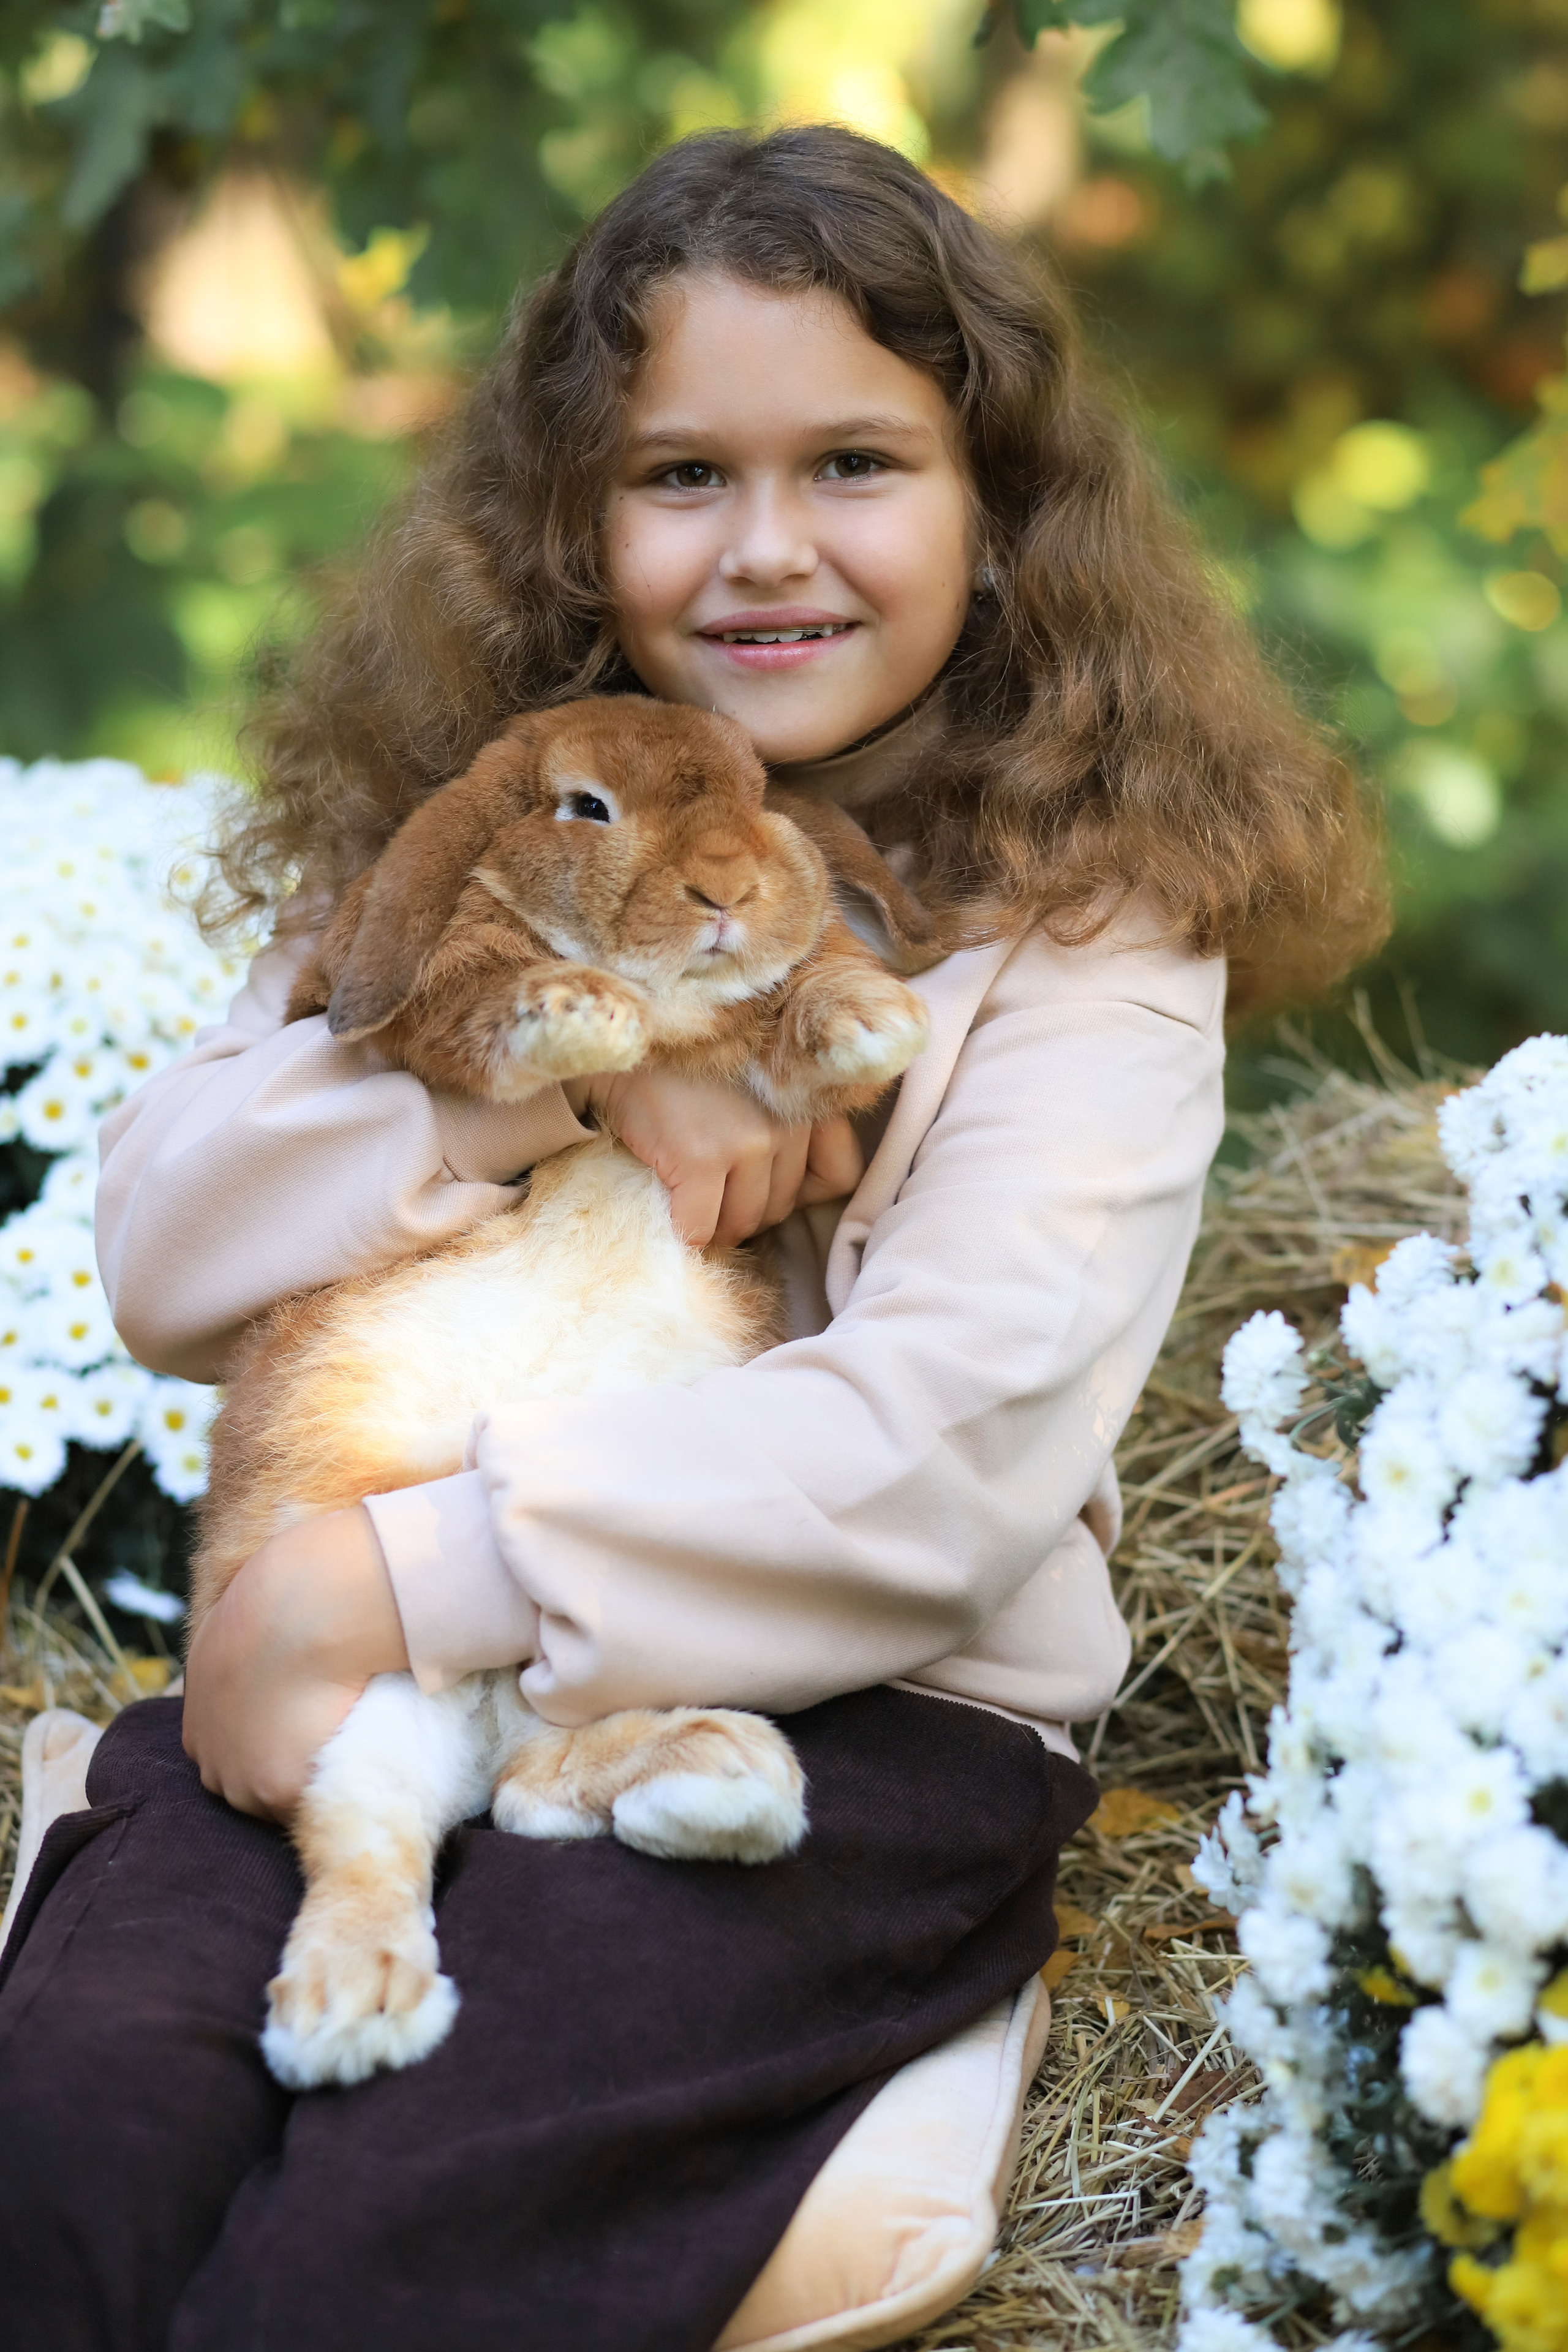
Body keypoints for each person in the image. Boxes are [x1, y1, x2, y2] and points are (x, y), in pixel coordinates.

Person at [0, 126, 1386, 2352]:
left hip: (839, 1716)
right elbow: (163, 1251)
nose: (766, 552)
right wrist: (549, 1069)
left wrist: (395, 1574)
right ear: (572, 520)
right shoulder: (503, 811)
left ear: (996, 511)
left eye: (854, 462)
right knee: (76, 2125)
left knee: (405, 2218)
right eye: (678, 477)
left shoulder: (1092, 929)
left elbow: (943, 1450)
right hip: (356, 1678)